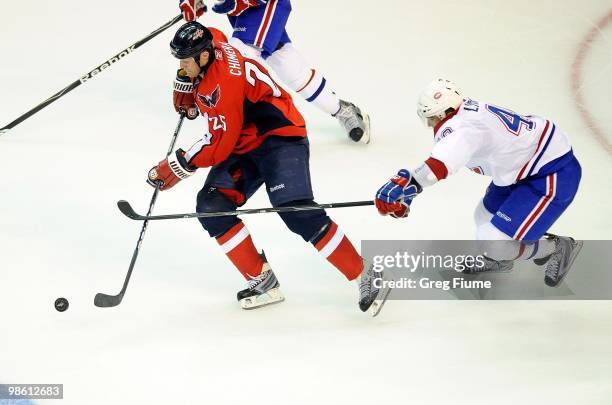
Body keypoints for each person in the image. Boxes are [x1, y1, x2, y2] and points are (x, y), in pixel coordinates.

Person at [148, 21, 388, 315]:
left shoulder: (220, 86)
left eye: (186, 61)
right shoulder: (216, 44)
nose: (183, 67)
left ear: (204, 56)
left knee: (295, 210)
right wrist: (188, 83)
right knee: (212, 204)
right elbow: (212, 30)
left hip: (280, 136)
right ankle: (262, 280)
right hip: (245, 140)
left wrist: (178, 164)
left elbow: (219, 145)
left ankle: (365, 273)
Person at [374, 78, 583, 287]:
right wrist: (411, 188)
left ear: (443, 113)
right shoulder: (464, 110)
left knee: (493, 241)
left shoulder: (464, 129)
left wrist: (408, 184)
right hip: (520, 167)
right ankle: (499, 260)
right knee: (482, 216)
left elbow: (436, 168)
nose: (431, 126)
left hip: (550, 174)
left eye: (431, 119)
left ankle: (556, 247)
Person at [178, 0, 371, 144]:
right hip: (242, 11)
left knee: (239, 57)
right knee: (288, 66)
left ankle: (240, 126)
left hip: (263, 5)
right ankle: (341, 109)